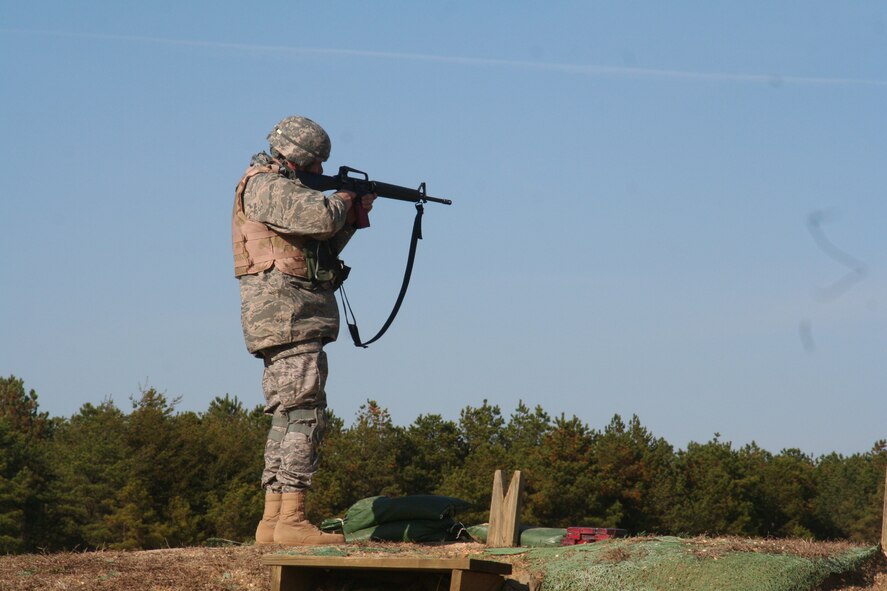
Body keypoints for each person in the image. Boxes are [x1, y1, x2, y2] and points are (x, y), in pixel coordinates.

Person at [232, 116, 375, 545]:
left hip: (287, 315)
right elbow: (321, 217)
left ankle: (274, 520)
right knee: (304, 411)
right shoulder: (268, 185)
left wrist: (354, 215)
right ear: (299, 158)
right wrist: (345, 197)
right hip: (289, 313)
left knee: (286, 412)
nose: (319, 173)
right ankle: (293, 519)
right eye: (316, 165)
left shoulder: (274, 187)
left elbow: (319, 247)